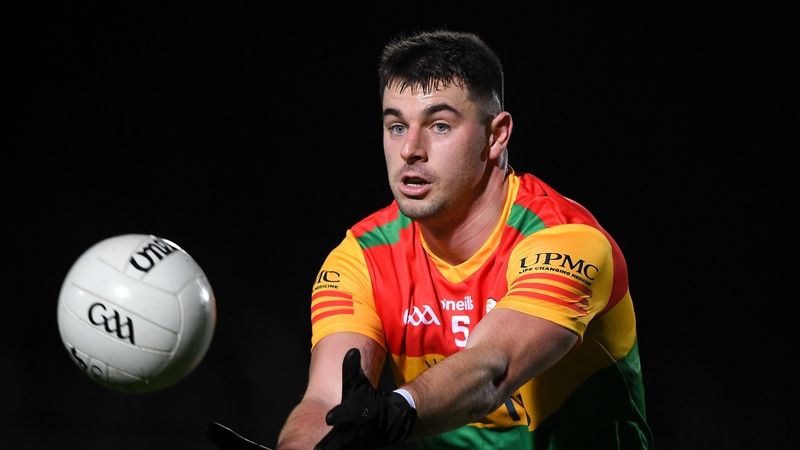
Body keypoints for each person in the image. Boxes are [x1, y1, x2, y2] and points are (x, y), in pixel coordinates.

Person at [208, 29, 653, 450]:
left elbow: (491, 371)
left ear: (496, 136)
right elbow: (327, 401)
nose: (410, 150)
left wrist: (396, 411)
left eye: (439, 125)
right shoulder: (361, 257)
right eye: (396, 126)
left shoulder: (566, 241)